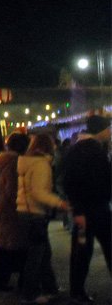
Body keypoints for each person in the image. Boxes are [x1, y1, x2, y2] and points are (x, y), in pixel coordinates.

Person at [63, 115, 112, 304]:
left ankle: (77, 290)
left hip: (91, 209)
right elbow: (73, 183)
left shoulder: (81, 150)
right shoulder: (89, 151)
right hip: (93, 210)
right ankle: (76, 291)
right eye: (108, 129)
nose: (109, 133)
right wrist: (79, 211)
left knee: (83, 251)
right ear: (100, 130)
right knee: (84, 252)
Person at [16, 133, 69, 305]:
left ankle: (50, 288)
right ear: (48, 145)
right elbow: (38, 192)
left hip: (24, 211)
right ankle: (29, 294)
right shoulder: (41, 165)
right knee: (37, 255)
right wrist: (59, 203)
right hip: (34, 213)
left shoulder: (26, 161)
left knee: (43, 253)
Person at [0, 131, 29, 291]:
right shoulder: (15, 163)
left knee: (7, 245)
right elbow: (12, 188)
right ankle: (4, 281)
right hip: (12, 208)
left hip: (5, 207)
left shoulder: (5, 161)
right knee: (13, 246)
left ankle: (2, 280)